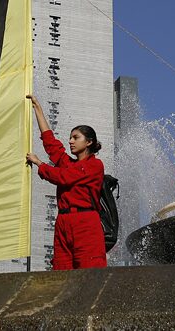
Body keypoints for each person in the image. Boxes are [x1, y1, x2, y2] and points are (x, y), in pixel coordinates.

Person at [25, 95, 106, 270]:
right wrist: (37, 108)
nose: (70, 141)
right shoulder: (70, 164)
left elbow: (63, 177)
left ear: (89, 142)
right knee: (61, 273)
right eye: (70, 137)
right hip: (63, 221)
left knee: (89, 273)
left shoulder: (95, 165)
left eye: (76, 137)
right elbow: (51, 144)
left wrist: (40, 164)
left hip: (86, 222)